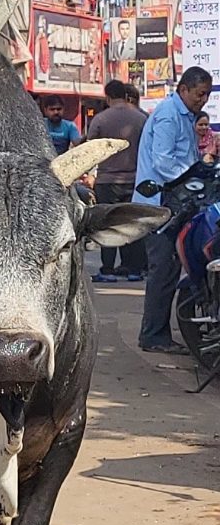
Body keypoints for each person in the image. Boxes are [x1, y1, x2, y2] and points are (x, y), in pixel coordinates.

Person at [134, 66, 215, 355]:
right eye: (199, 94)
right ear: (184, 90)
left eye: (206, 94)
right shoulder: (169, 115)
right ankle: (153, 335)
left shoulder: (186, 115)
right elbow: (164, 163)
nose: (203, 100)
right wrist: (196, 173)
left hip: (174, 203)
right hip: (159, 204)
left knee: (168, 271)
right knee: (163, 271)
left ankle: (158, 333)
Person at [88, 80, 148, 282]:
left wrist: (90, 174)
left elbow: (91, 149)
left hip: (106, 180)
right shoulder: (142, 119)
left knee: (106, 224)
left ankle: (107, 270)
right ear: (126, 95)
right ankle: (133, 269)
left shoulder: (100, 119)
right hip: (135, 180)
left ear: (107, 97)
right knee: (132, 222)